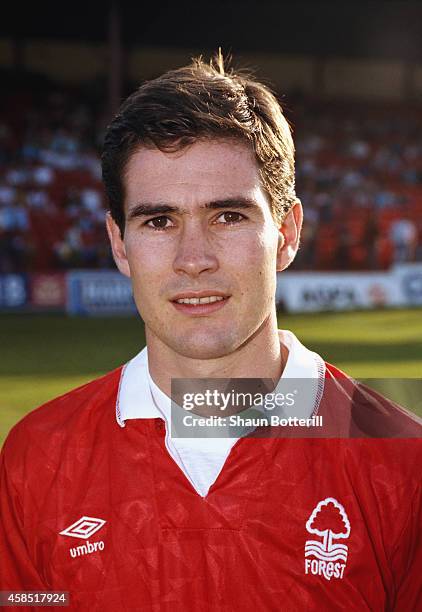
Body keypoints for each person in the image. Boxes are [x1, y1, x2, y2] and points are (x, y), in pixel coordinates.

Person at [1, 55, 421, 611]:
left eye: (228, 216)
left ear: (287, 233)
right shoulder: (38, 457)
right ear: (119, 244)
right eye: (158, 221)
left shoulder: (401, 462)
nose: (192, 259)